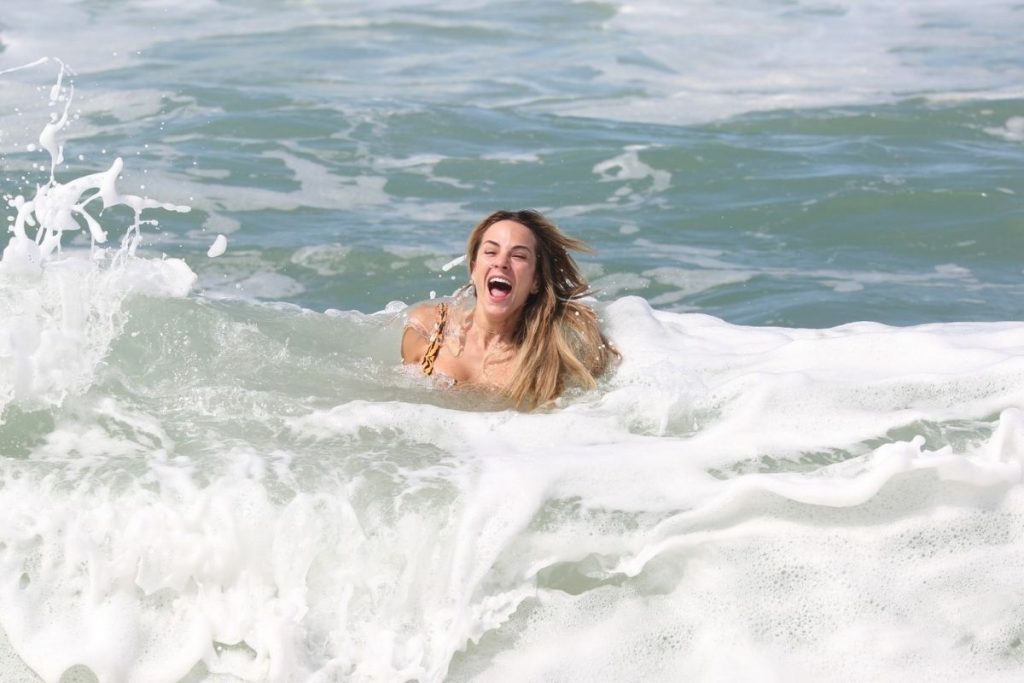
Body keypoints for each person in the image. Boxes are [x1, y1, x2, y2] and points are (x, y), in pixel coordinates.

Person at [401, 209, 618, 410]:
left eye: (519, 256)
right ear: (474, 268)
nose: (502, 262)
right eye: (491, 252)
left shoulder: (549, 360)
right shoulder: (428, 327)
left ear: (535, 281)